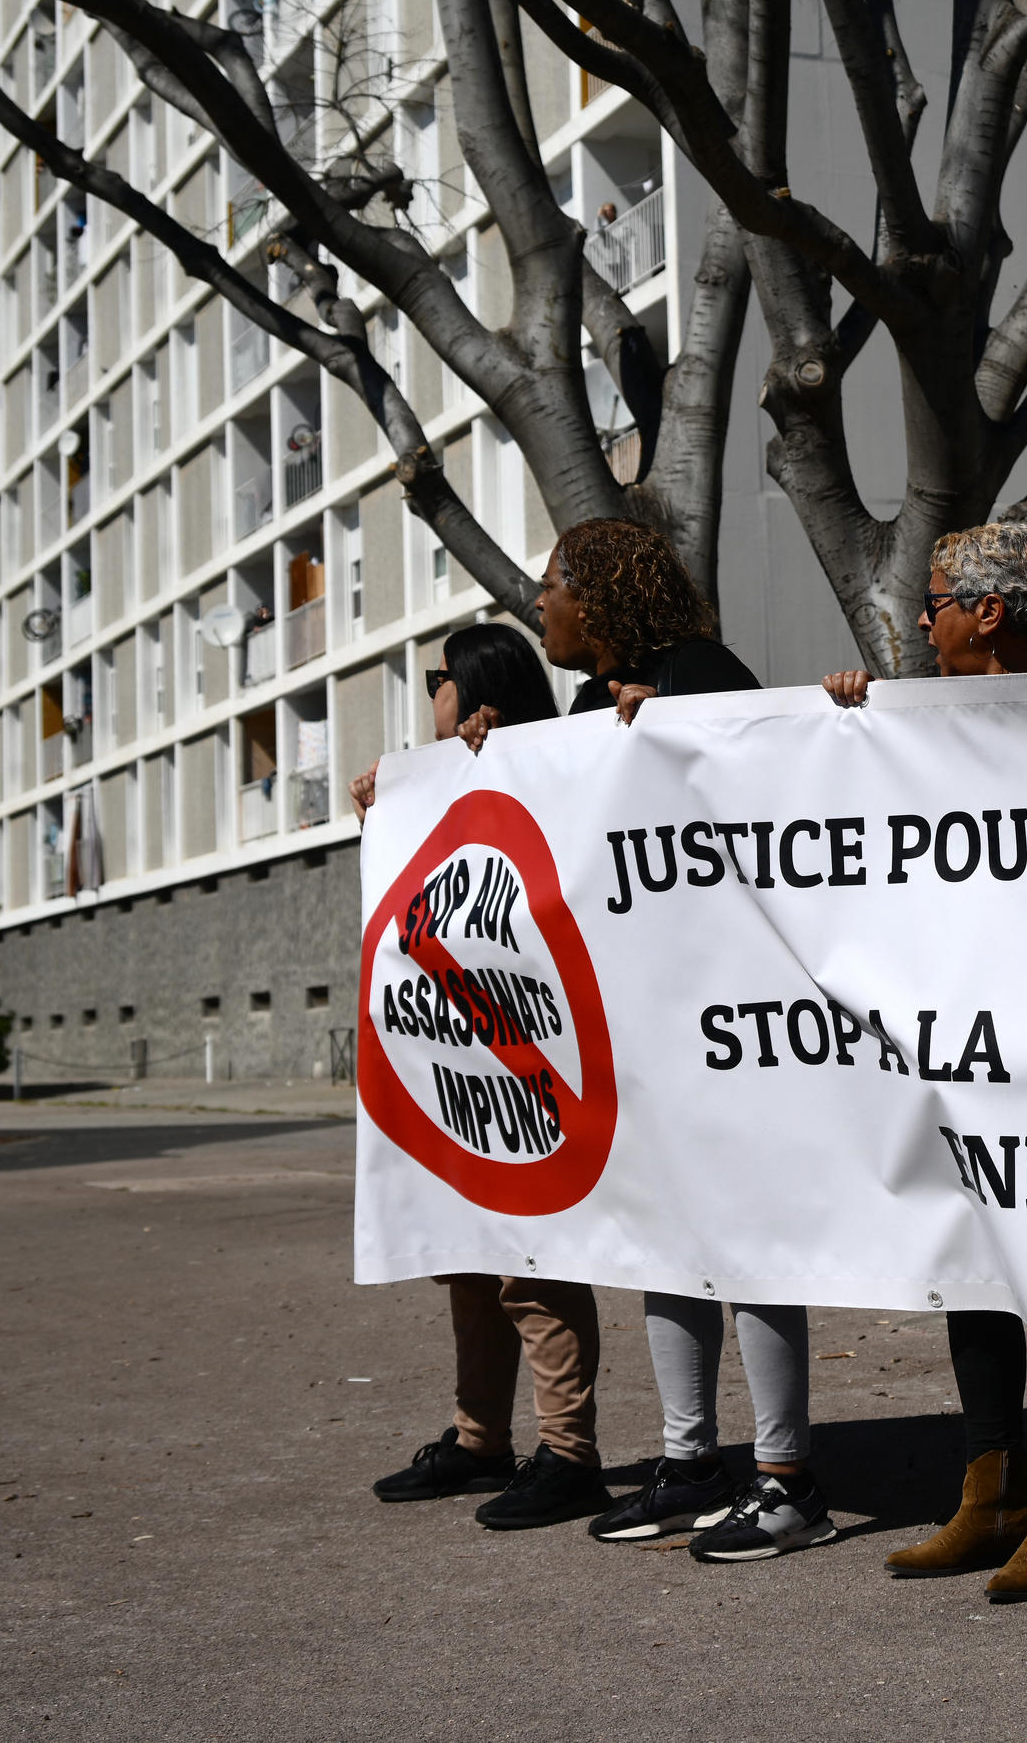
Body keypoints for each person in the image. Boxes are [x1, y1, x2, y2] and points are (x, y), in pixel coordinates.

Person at [529, 518, 839, 1564]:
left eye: (551, 587)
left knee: (748, 1239)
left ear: (600, 595)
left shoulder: (704, 673)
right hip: (648, 1024)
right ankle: (689, 1461)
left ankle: (787, 1478)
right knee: (670, 1238)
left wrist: (676, 729)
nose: (539, 606)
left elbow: (773, 795)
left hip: (734, 1019)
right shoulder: (579, 708)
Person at [822, 520, 1027, 1603]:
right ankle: (984, 1490)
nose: (919, 618)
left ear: (990, 613)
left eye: (935, 599)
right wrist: (848, 729)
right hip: (964, 1042)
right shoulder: (915, 724)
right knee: (975, 1260)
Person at [356, 625, 612, 1532]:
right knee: (467, 1257)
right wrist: (385, 813)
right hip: (459, 1060)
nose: (430, 694)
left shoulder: (551, 764)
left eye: (437, 678)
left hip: (527, 1058)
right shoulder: (446, 781)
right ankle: (479, 1438)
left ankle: (569, 1453)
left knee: (530, 1268)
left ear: (472, 687)